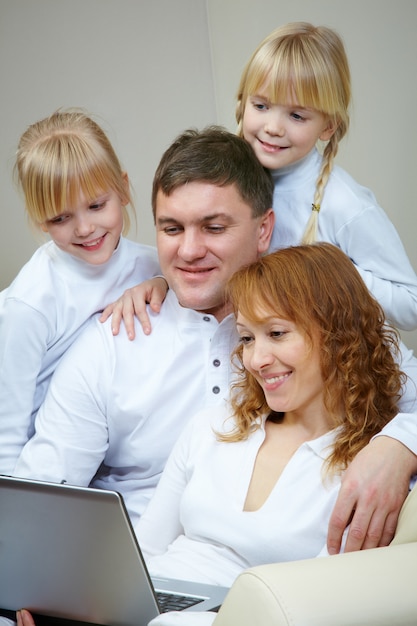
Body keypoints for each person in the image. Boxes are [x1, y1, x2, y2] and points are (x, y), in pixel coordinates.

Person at [107, 22, 417, 554]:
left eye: (296, 115)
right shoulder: (248, 172)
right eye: (261, 105)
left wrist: (333, 274)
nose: (272, 127)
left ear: (327, 127)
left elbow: (408, 303)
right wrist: (157, 282)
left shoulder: (344, 203)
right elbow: (202, 245)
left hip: (336, 351)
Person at [18, 242, 412, 626]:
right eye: (247, 337)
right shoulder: (213, 426)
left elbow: (319, 606)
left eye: (276, 333)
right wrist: (76, 603)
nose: (256, 359)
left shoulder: (370, 472)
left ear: (337, 334)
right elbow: (145, 554)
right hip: (144, 607)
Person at [11, 126, 275, 526]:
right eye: (171, 229)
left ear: (264, 230)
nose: (188, 251)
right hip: (147, 565)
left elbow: (399, 390)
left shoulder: (308, 315)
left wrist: (398, 446)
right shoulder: (72, 327)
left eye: (214, 227)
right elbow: (35, 495)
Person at [0, 108, 160, 476]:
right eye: (61, 218)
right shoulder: (31, 303)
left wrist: (162, 283)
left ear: (122, 189)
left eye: (96, 205)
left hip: (107, 453)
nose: (85, 228)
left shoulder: (153, 267)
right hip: (42, 463)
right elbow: (7, 438)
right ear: (41, 218)